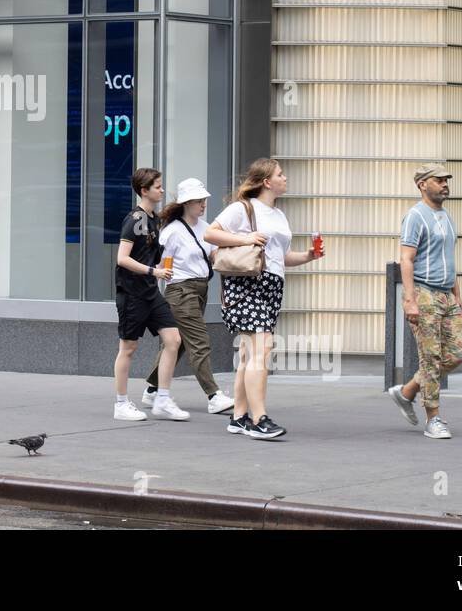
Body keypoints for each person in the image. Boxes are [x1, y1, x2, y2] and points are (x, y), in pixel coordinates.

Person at [206, 158, 320, 440]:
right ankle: (259, 419)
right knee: (262, 348)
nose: (285, 178)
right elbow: (210, 233)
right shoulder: (242, 209)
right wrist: (246, 239)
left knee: (248, 354)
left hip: (272, 284)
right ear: (267, 181)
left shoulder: (278, 215)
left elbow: (280, 257)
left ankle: (239, 417)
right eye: (281, 174)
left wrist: (308, 256)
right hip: (246, 283)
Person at [138, 178, 235, 415]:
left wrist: (225, 287)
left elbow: (216, 259)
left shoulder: (206, 227)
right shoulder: (171, 232)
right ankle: (213, 395)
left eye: (204, 200)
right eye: (198, 201)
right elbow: (161, 264)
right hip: (180, 291)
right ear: (186, 203)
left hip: (200, 289)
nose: (203, 204)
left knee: (179, 344)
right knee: (199, 342)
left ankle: (151, 390)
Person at [388, 164, 462, 439]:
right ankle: (434, 419)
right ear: (422, 185)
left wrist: (457, 294)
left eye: (446, 180)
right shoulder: (415, 216)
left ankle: (406, 391)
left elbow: (450, 258)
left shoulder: (447, 216)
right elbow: (406, 259)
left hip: (446, 294)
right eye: (438, 180)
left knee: (454, 356)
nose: (444, 184)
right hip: (424, 292)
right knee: (430, 358)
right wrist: (410, 300)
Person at [112, 168, 189, 422]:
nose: (162, 190)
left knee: (173, 339)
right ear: (144, 190)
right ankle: (121, 404)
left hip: (150, 292)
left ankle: (163, 398)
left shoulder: (155, 218)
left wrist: (159, 269)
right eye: (157, 186)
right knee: (129, 347)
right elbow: (122, 259)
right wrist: (152, 271)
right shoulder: (134, 219)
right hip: (131, 293)